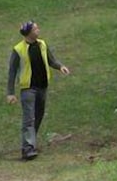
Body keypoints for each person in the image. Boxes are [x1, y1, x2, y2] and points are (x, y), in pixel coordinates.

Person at [5, 20, 71, 160]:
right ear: (28, 33)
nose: (38, 30)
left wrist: (60, 66)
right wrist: (10, 93)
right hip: (28, 88)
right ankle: (28, 148)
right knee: (29, 118)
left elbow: (51, 60)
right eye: (35, 29)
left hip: (42, 86)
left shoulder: (42, 44)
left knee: (39, 115)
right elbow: (12, 71)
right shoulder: (18, 49)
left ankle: (31, 142)